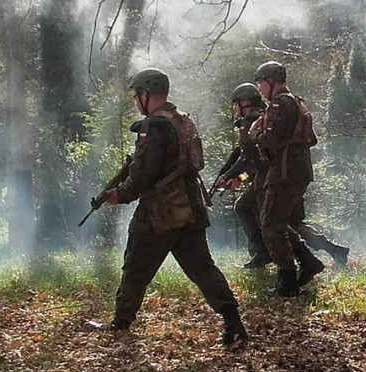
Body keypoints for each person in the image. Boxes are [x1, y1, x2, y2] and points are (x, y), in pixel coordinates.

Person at [98, 67, 247, 347]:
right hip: (190, 208)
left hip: (160, 213)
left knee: (135, 267)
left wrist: (121, 194)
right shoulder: (182, 120)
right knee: (203, 269)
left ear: (146, 94)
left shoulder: (153, 127)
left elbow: (143, 174)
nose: (134, 100)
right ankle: (233, 322)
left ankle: (120, 323)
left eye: (136, 95)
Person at [217, 84, 349, 269]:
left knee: (260, 215)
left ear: (245, 102)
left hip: (274, 179)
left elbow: (254, 160)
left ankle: (267, 255)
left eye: (236, 104)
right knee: (288, 223)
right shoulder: (267, 116)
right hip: (282, 176)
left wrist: (238, 176)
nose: (235, 108)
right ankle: (331, 251)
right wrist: (240, 176)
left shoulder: (252, 122)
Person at [250, 61, 324, 296]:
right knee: (277, 222)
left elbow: (271, 141)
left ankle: (288, 281)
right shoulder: (293, 101)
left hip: (285, 170)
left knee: (270, 224)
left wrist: (255, 134)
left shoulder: (280, 104)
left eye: (261, 83)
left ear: (271, 81)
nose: (259, 88)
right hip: (295, 168)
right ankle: (308, 261)